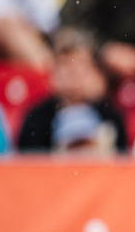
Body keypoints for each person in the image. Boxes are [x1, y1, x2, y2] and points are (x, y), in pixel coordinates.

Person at [17, 26, 127, 154]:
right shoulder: (37, 119)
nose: (72, 73)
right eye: (64, 65)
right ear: (53, 72)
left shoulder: (111, 115)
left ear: (94, 72)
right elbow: (29, 161)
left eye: (79, 65)